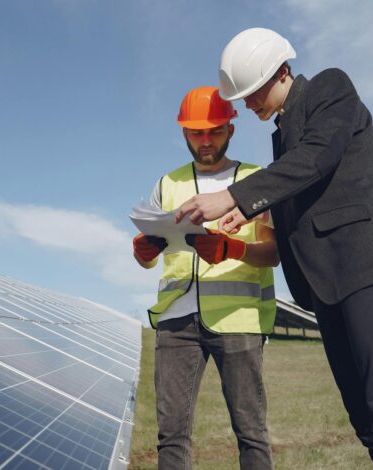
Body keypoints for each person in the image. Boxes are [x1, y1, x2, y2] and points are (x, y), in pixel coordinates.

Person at [175, 28, 373, 469]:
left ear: (282, 72)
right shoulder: (283, 139)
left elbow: (315, 158)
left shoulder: (330, 87)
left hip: (368, 269)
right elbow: (301, 187)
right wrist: (251, 216)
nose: (248, 105)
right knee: (367, 418)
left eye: (252, 92)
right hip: (327, 286)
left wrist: (236, 196)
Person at [133, 85, 279, 470]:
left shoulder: (256, 179)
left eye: (214, 131)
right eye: (196, 133)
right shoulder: (167, 184)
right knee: (171, 437)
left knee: (251, 433)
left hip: (239, 319)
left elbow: (276, 254)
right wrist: (142, 254)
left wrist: (233, 249)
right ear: (184, 133)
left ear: (231, 129)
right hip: (175, 321)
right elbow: (151, 256)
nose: (206, 141)